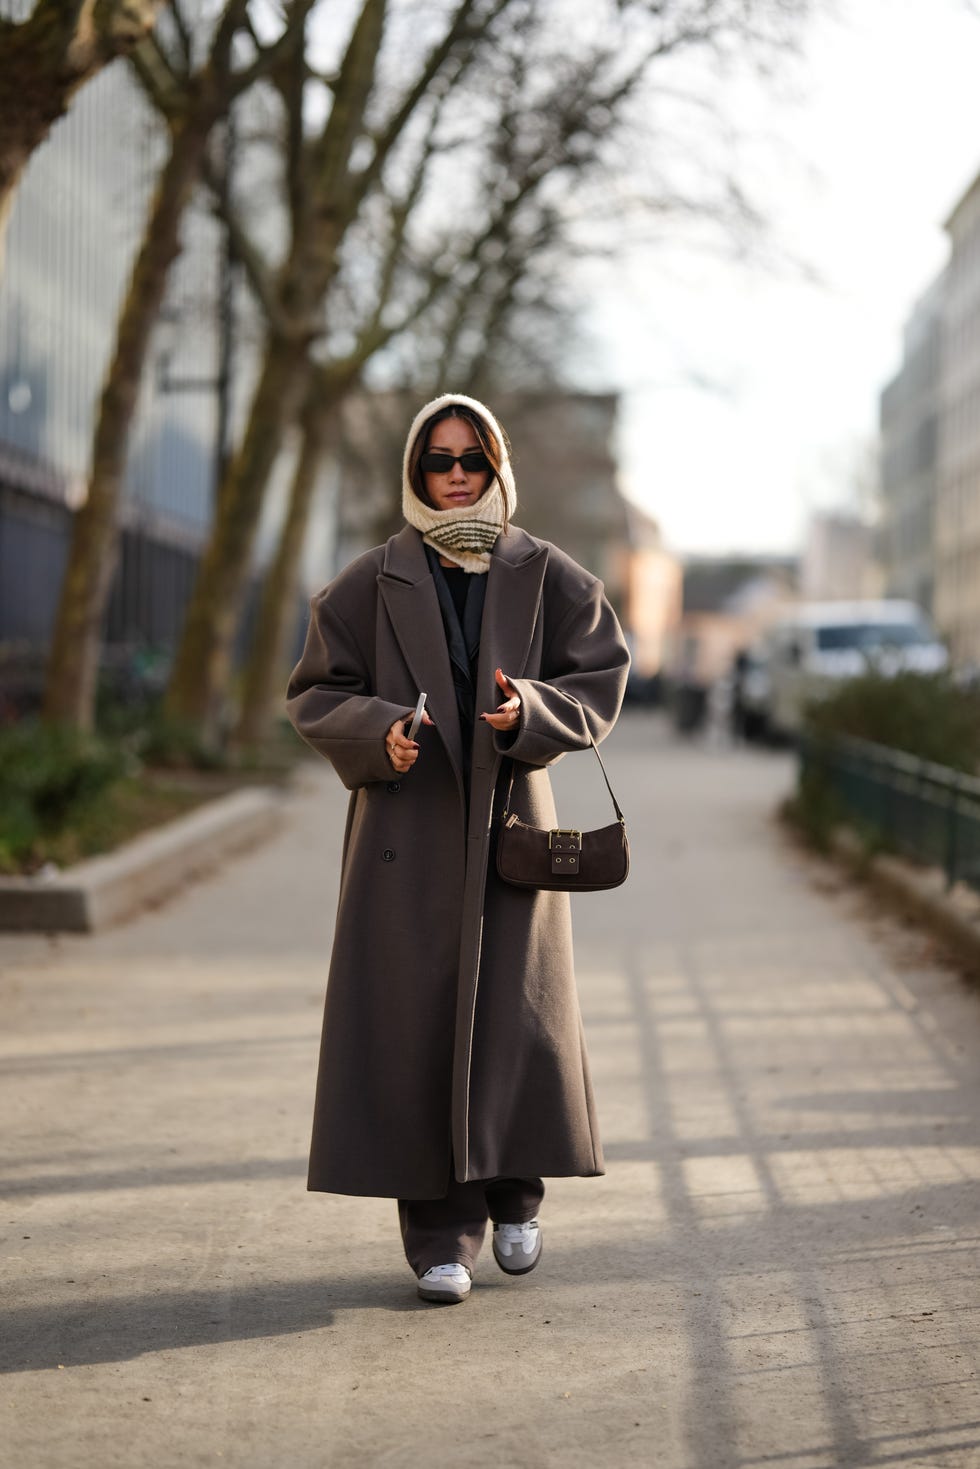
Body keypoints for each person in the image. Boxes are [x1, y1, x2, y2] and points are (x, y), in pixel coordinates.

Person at [286, 392, 630, 1305]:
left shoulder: (548, 574)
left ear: (496, 465)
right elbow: (316, 691)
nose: (455, 476)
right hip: (405, 840)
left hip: (511, 833)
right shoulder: (368, 581)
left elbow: (599, 675)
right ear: (415, 470)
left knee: (516, 1021)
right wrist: (378, 733)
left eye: (470, 459)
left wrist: (534, 714)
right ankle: (440, 1233)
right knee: (416, 1031)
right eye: (437, 460)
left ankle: (517, 1195)